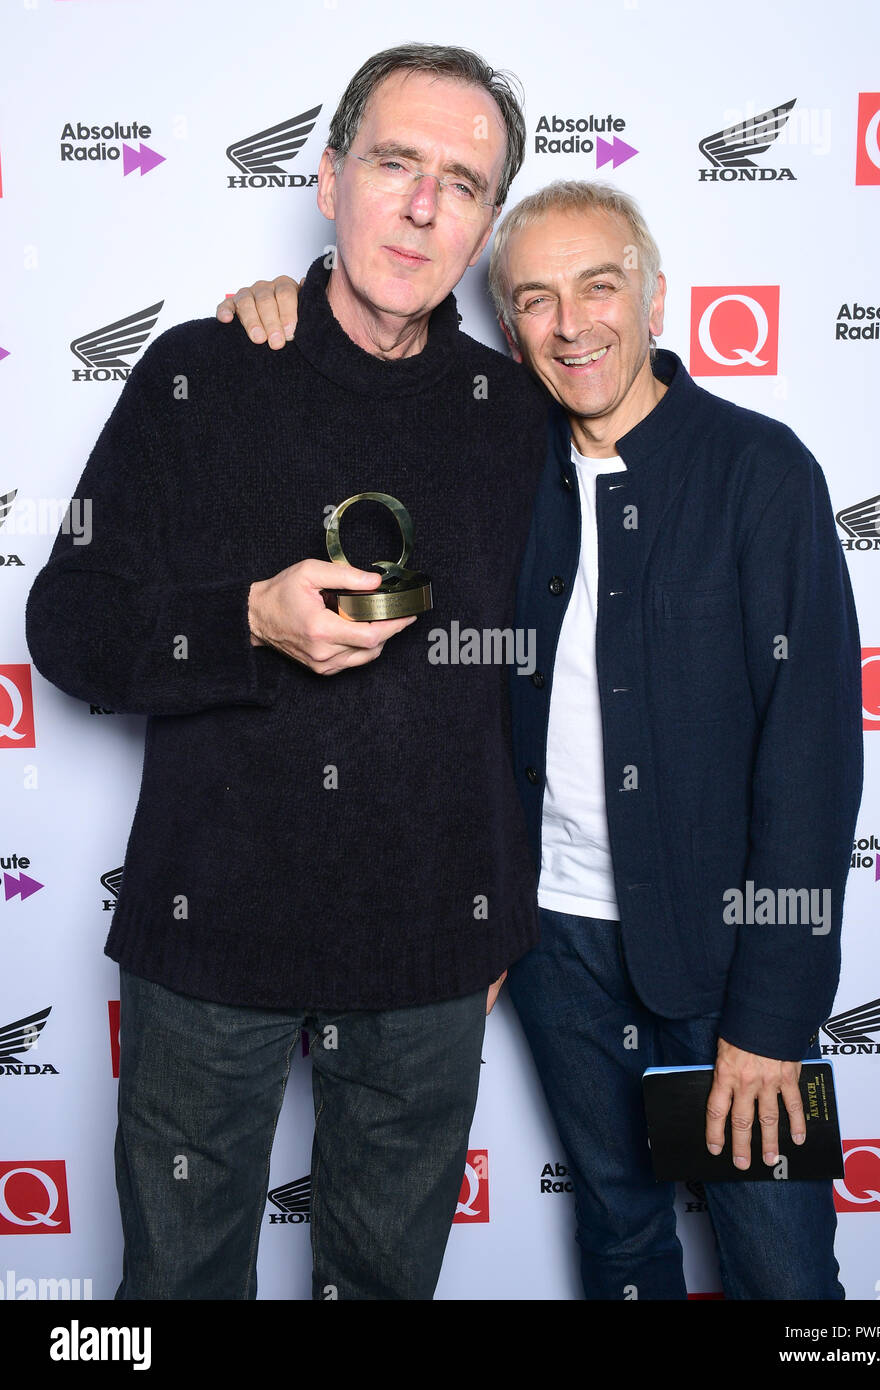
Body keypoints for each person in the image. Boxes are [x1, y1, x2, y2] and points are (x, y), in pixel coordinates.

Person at [221, 180, 863, 1300]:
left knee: (783, 1270)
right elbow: (369, 386)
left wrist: (773, 1018)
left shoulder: (760, 473)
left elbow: (812, 758)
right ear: (507, 329)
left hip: (726, 962)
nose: (572, 324)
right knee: (618, 1238)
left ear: (654, 296)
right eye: (534, 299)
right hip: (553, 946)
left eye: (598, 286)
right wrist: (280, 309)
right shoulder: (499, 464)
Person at [25, 44, 549, 1301]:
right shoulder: (200, 373)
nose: (423, 206)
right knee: (178, 1287)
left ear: (483, 227)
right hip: (210, 943)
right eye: (394, 163)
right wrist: (245, 620)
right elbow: (68, 623)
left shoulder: (515, 415)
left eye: (464, 184)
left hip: (429, 951)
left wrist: (503, 902)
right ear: (327, 178)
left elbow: (548, 677)